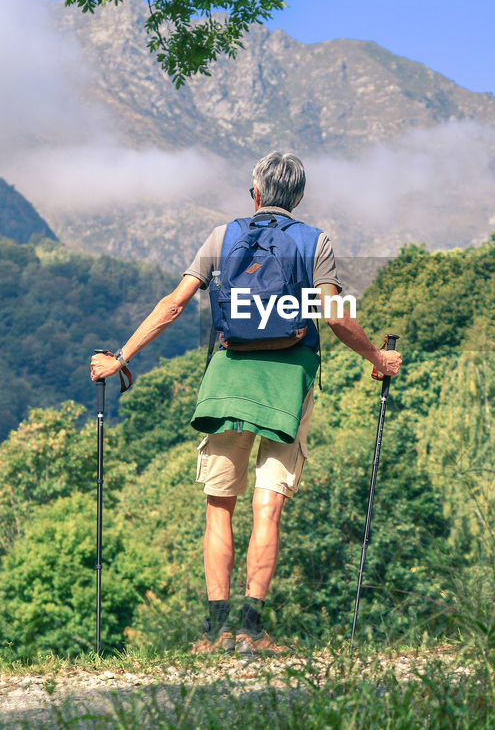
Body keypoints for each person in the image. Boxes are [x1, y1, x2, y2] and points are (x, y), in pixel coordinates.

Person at [89, 151, 402, 656]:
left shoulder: (222, 236)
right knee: (267, 508)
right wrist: (377, 356)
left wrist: (119, 357)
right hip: (287, 385)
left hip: (227, 381)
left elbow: (173, 305)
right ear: (298, 198)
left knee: (219, 509)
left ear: (255, 193)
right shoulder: (315, 241)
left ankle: (215, 634)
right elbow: (336, 316)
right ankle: (252, 632)